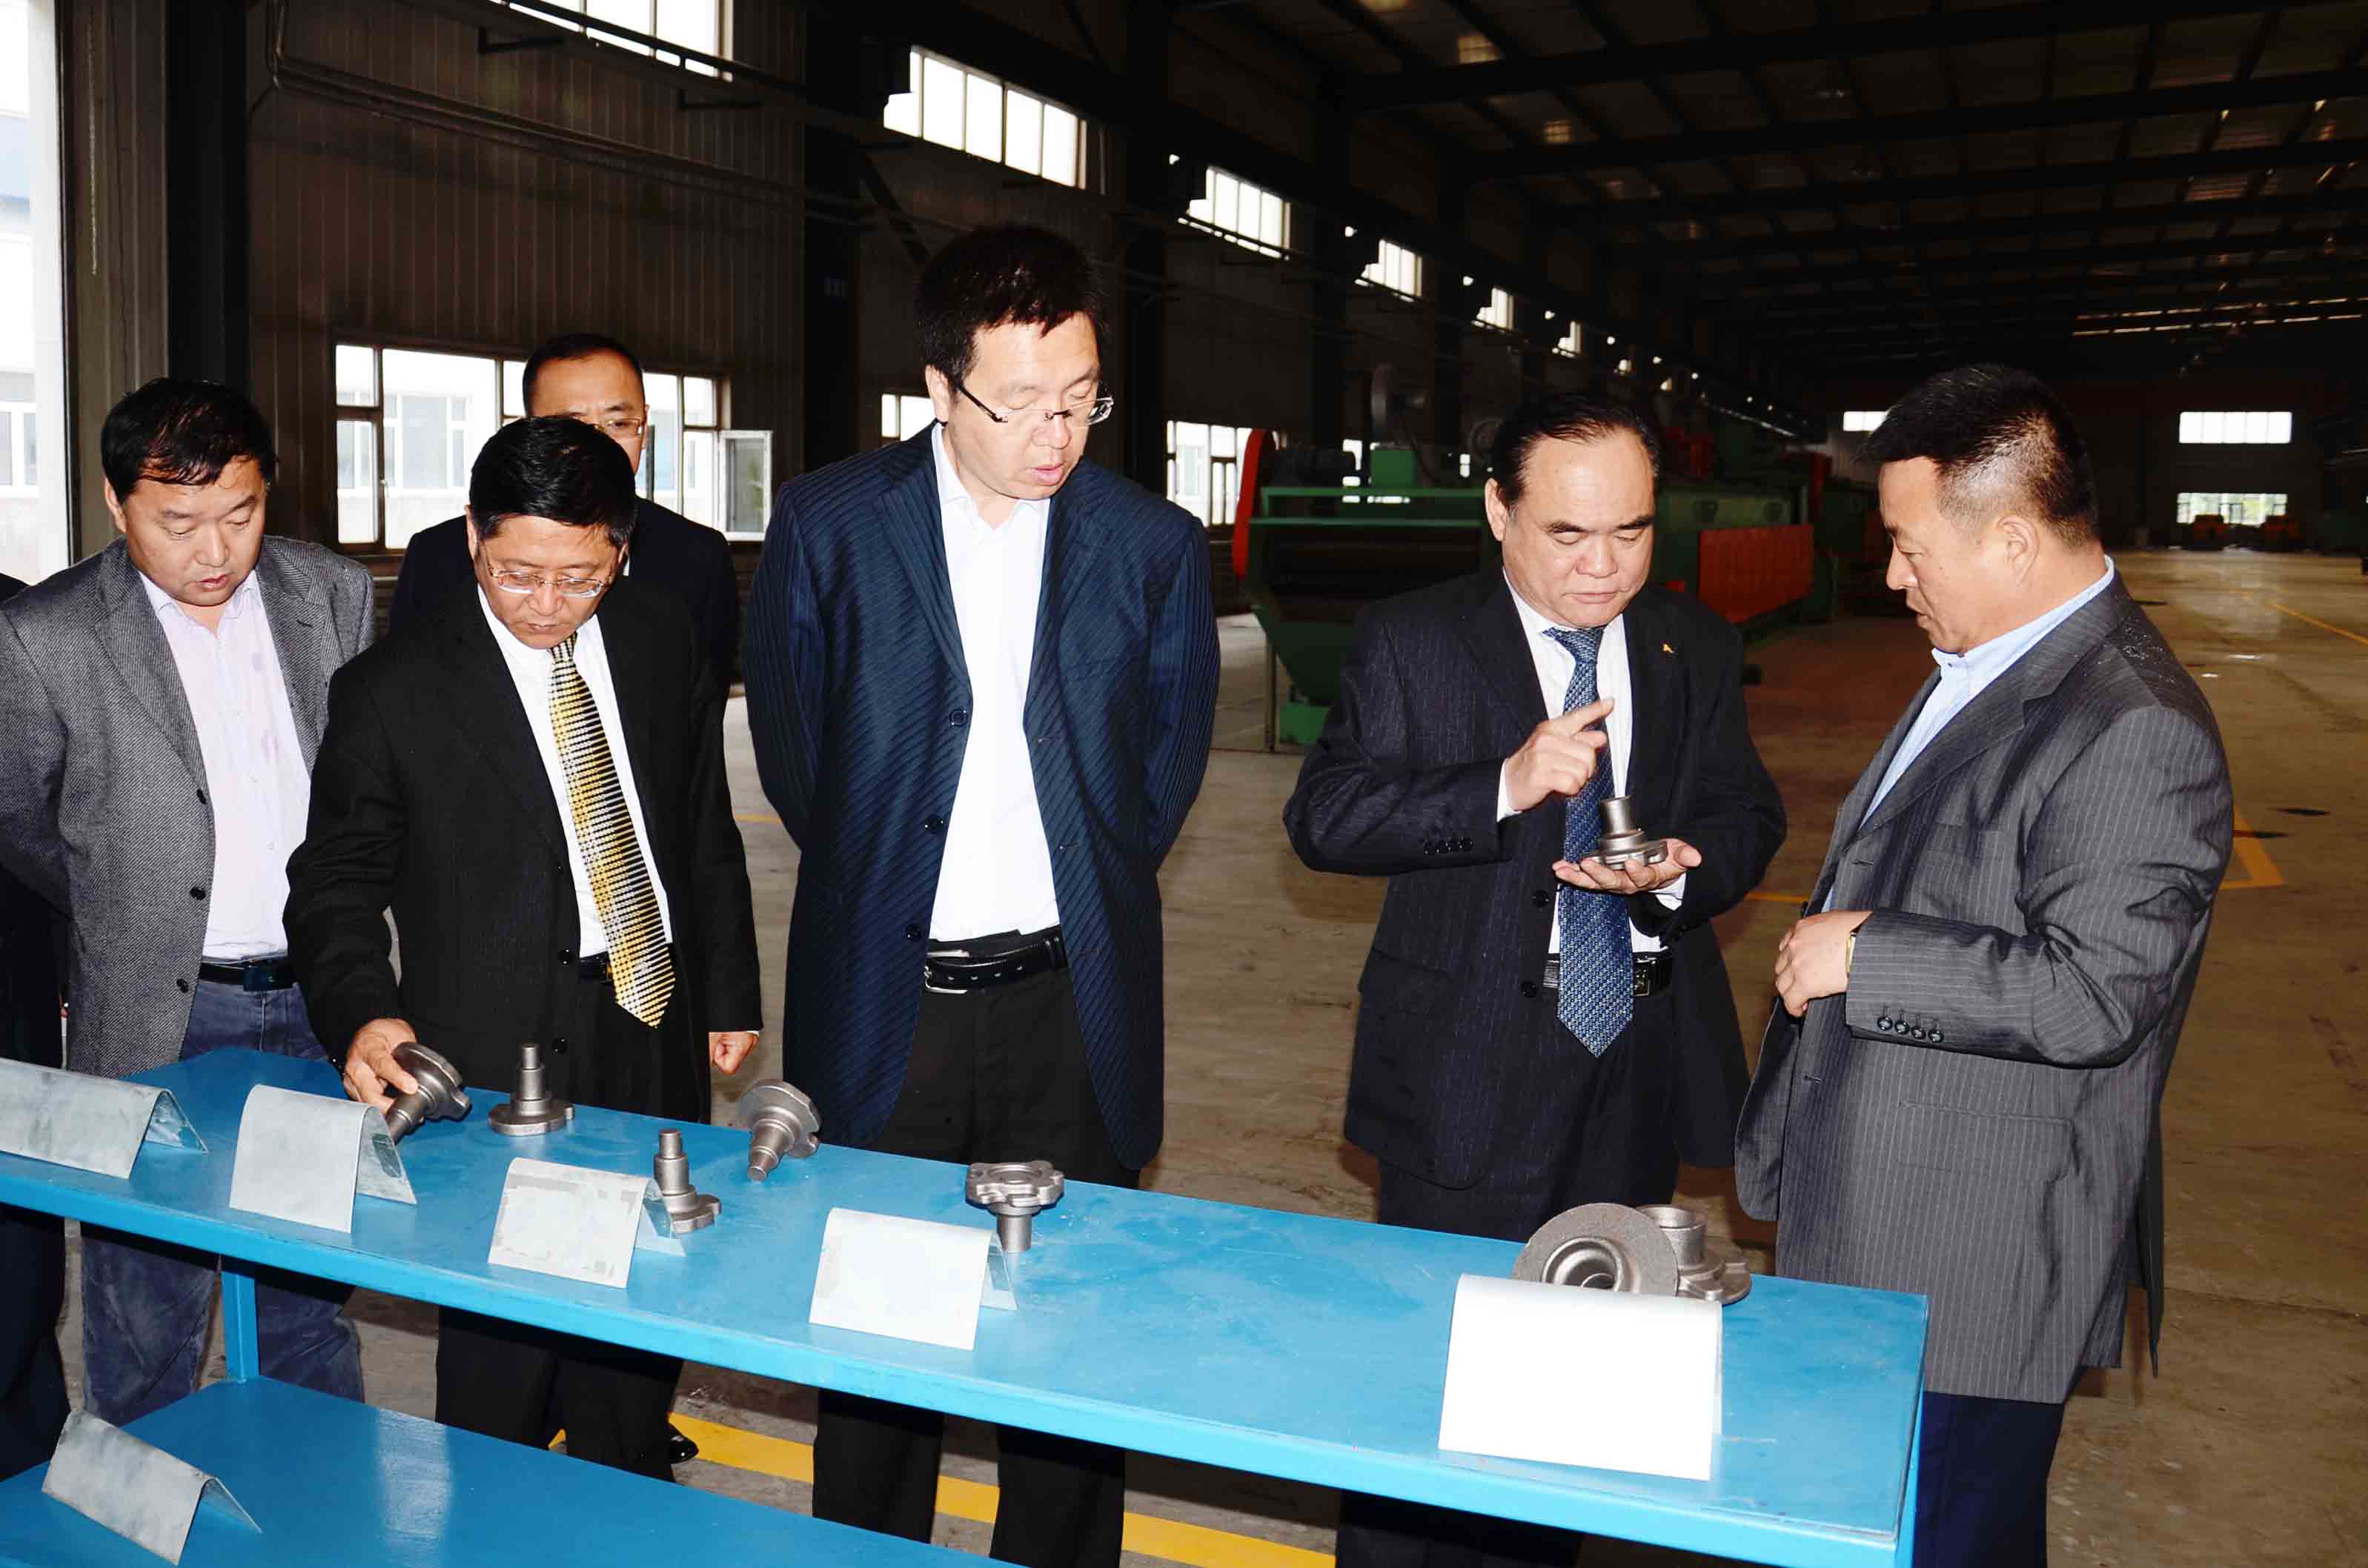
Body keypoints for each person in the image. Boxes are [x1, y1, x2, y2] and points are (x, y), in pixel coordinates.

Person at [744, 224, 1217, 1568]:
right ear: (940, 388)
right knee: (878, 1344)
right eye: (1019, 404)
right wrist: (891, 877)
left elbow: (1161, 774)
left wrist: (1073, 883)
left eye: (1080, 398)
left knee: (1064, 1348)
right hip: (890, 996)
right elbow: (793, 756)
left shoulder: (1150, 544)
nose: (1054, 434)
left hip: (1070, 1002)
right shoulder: (831, 522)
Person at [1738, 365, 2233, 1568]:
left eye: (1910, 547)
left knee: (1944, 1536)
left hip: (1967, 1259)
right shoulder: (1994, 664)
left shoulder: (2133, 724)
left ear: (2011, 539)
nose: (1892, 576)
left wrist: (1869, 951)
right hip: (1883, 1223)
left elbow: (2096, 993)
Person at [1284, 391, 1784, 1568]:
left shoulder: (1691, 643)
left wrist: (1681, 868)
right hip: (1461, 1065)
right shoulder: (1411, 639)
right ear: (1497, 512)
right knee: (1433, 1387)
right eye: (1566, 534)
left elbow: (1744, 811)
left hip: (1632, 1053)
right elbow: (1326, 818)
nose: (1601, 566)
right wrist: (1501, 786)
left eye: (1630, 531)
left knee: (1577, 1396)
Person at [285, 416, 760, 1477]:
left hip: (645, 1011)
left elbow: (697, 823)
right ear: (472, 537)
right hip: (495, 1053)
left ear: (621, 551)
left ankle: (629, 1487)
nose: (546, 604)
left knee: (639, 1308)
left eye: (579, 578)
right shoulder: (394, 689)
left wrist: (727, 987)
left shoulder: (659, 637)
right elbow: (334, 882)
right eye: (517, 573)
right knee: (500, 1353)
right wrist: (364, 1009)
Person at [0, 380, 374, 1427]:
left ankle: (319, 1495)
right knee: (146, 1312)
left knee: (308, 1294)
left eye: (240, 514)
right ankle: (141, 1501)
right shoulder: (44, 634)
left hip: (318, 1001)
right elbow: (22, 818)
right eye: (178, 522)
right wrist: (127, 910)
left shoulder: (332, 594)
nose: (215, 551)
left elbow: (364, 789)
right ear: (115, 503)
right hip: (158, 1014)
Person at [389, 331, 740, 696]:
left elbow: (701, 711)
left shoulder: (699, 557)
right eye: (572, 426)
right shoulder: (437, 556)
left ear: (645, 427)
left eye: (619, 424)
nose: (600, 446)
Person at [0, 572, 67, 1482]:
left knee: (17, 1247)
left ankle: (25, 1459)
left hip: (11, 991)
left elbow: (53, 815)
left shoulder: (20, 622)